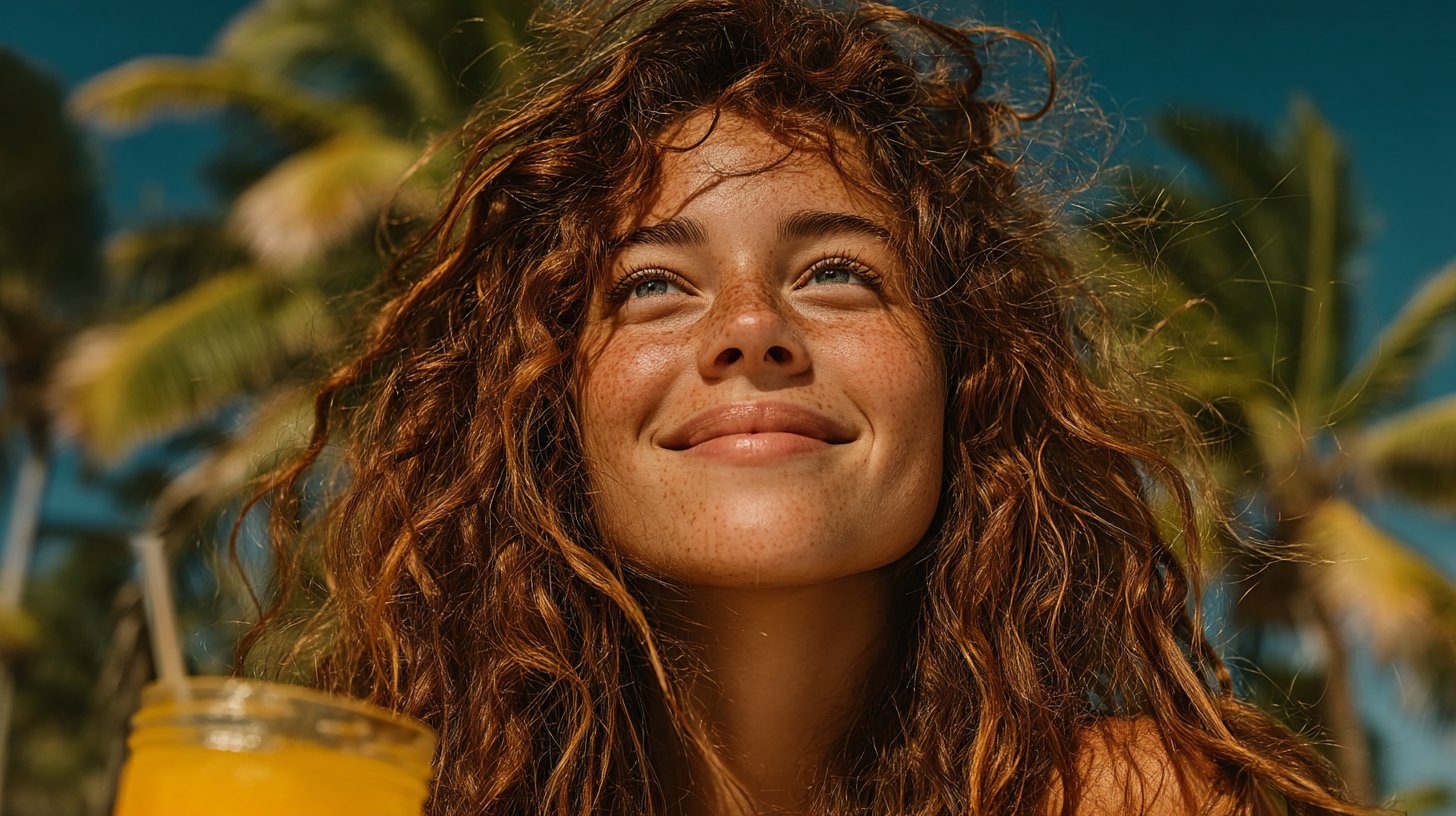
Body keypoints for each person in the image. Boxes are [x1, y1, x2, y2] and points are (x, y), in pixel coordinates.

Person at [242, 0, 1383, 813]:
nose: (749, 326)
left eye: (838, 271)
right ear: (547, 412)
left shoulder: (1132, 803)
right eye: (650, 285)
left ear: (964, 377)